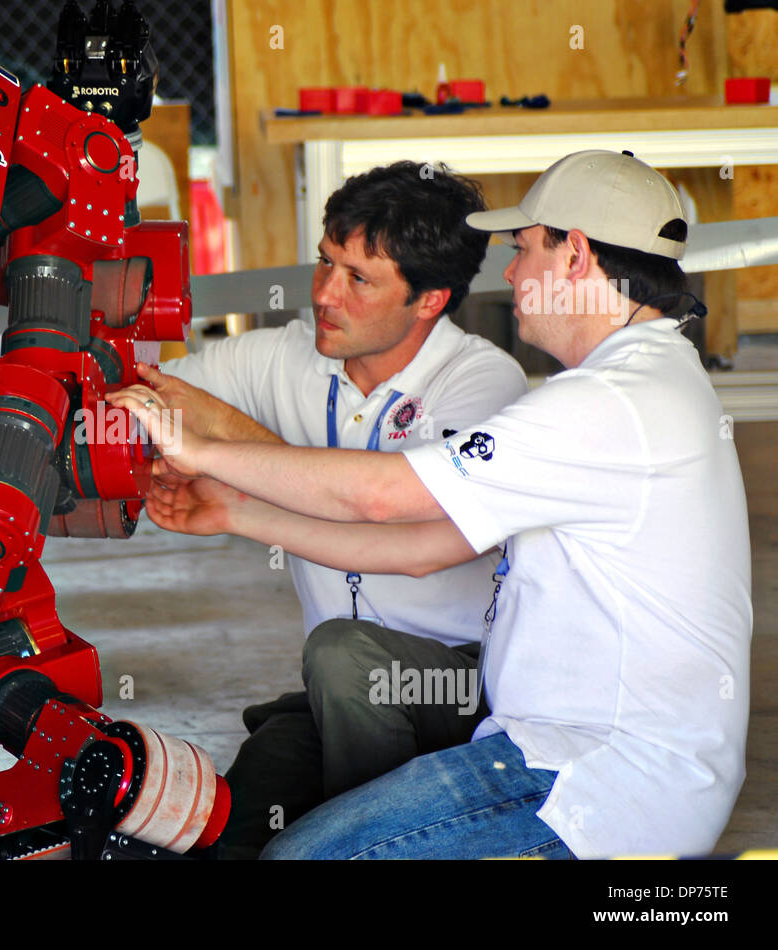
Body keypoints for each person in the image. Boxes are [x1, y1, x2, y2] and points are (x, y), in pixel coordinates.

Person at [112, 150, 751, 858]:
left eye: (522, 249)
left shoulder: (606, 401)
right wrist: (235, 512)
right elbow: (421, 549)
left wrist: (202, 451)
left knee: (302, 854)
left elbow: (386, 499)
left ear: (574, 256)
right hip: (567, 753)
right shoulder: (639, 381)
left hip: (593, 781)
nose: (509, 273)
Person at [141, 162, 528, 858]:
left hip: (468, 688)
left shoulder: (481, 381)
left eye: (359, 278)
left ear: (429, 300)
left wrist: (221, 458)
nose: (324, 293)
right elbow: (155, 395)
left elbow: (395, 517)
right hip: (335, 698)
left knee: (344, 657)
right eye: (326, 262)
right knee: (233, 834)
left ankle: (374, 842)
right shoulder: (284, 357)